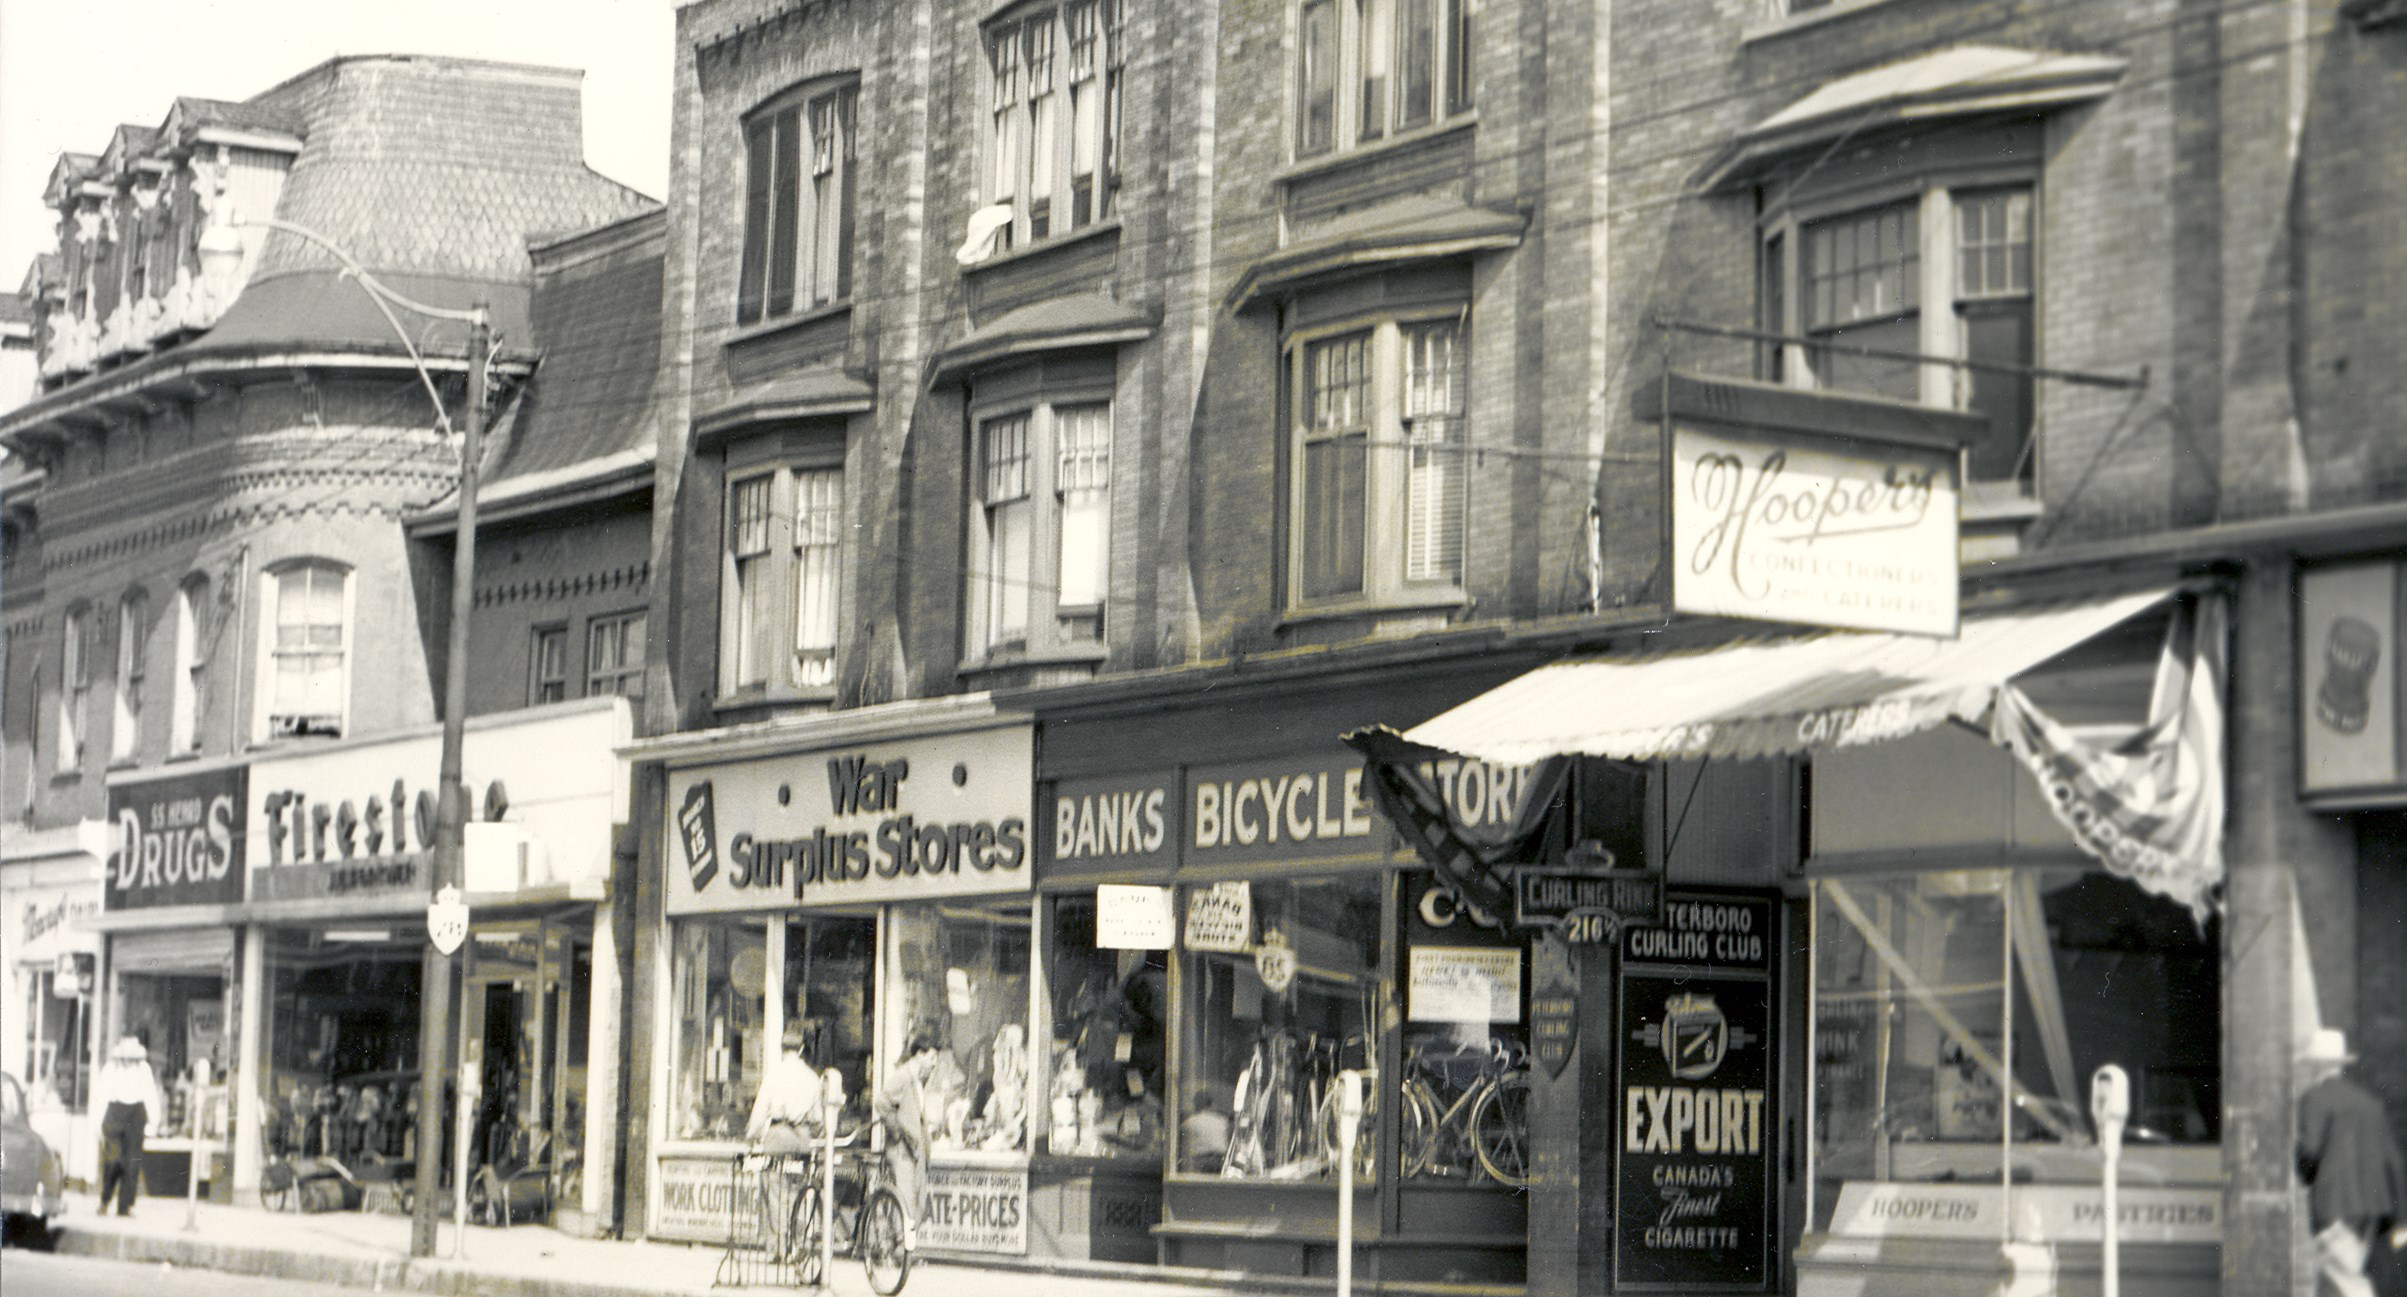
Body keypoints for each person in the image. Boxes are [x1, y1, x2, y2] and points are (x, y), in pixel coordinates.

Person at [2297, 1028, 2407, 1297]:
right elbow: (2393, 1161)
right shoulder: (2369, 1104)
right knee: (2334, 1277)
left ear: (2315, 1065)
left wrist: (2306, 1174)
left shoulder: (2315, 1098)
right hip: (2371, 1211)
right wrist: (2401, 1218)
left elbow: (2309, 1152)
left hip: (2334, 1206)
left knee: (2347, 1279)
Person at [94, 1032, 165, 1217]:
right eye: (125, 1057)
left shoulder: (144, 1069)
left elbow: (150, 1095)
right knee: (112, 1159)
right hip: (114, 1111)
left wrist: (154, 1122)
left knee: (132, 1162)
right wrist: (96, 1122)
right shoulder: (111, 1069)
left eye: (131, 1057)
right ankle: (105, 1199)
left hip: (136, 1114)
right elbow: (101, 1095)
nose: (128, 1060)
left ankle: (124, 1206)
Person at [746, 1023, 829, 1156]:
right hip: (802, 1137)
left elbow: (760, 1112)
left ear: (782, 1049)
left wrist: (751, 1136)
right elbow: (818, 1118)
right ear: (801, 1049)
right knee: (801, 1176)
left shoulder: (773, 1075)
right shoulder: (812, 1077)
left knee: (775, 1175)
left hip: (778, 1136)